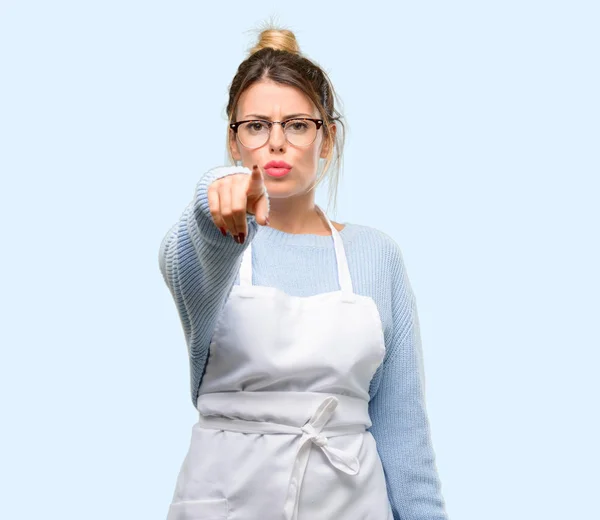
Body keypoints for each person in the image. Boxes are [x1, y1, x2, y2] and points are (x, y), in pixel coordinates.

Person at [159, 24, 449, 520]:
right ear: (234, 141)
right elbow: (185, 250)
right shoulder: (218, 247)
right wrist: (217, 194)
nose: (276, 143)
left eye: (297, 125)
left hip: (350, 505)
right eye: (256, 126)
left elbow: (403, 433)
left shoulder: (376, 255)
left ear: (327, 139)